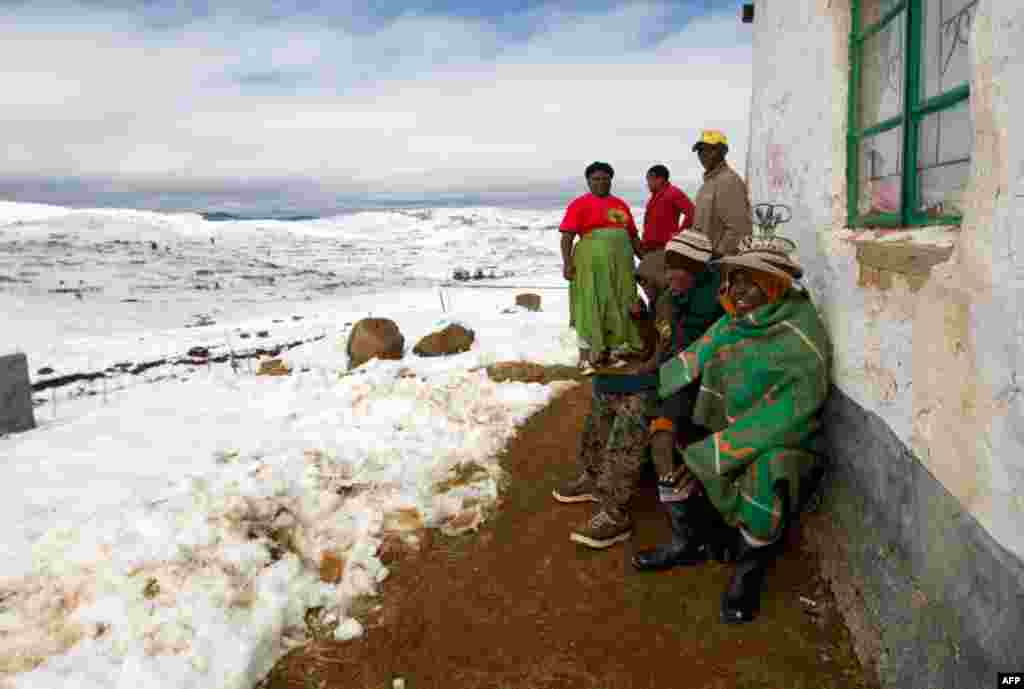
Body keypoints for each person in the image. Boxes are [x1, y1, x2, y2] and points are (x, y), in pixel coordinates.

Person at [634, 233, 831, 625]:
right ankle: (687, 540)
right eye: (734, 279)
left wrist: (710, 454)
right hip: (730, 426)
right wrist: (643, 391)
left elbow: (787, 415)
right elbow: (690, 360)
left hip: (786, 439)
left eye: (749, 280)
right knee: (665, 432)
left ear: (774, 285)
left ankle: (749, 568)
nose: (736, 290)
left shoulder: (801, 335)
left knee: (769, 469)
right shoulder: (736, 322)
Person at [552, 230, 724, 550]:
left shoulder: (717, 303)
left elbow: (700, 361)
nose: (669, 275)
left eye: (679, 268)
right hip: (672, 377)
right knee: (605, 391)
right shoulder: (675, 297)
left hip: (700, 387)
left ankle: (615, 512)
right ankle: (593, 474)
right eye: (668, 268)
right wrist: (646, 365)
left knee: (634, 410)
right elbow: (663, 348)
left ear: (699, 268)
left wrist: (651, 378)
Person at [560, 162, 645, 375]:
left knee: (618, 303)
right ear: (588, 181)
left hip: (621, 266)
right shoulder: (578, 204)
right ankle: (585, 358)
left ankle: (610, 354)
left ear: (611, 180)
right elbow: (567, 236)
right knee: (591, 304)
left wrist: (645, 259)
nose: (600, 182)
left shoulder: (620, 205)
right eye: (595, 179)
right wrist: (567, 263)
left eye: (605, 178)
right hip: (591, 265)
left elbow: (633, 236)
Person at [690, 130, 753, 257]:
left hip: (718, 265)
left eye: (710, 150)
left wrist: (719, 255)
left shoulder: (729, 181)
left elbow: (739, 228)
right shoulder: (707, 184)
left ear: (722, 152)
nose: (703, 155)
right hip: (703, 260)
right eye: (700, 151)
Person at [640, 164, 695, 254]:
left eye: (649, 179)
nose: (647, 184)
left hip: (665, 248)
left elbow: (692, 213)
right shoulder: (653, 198)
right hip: (649, 248)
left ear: (659, 179)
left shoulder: (674, 192)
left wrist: (679, 234)